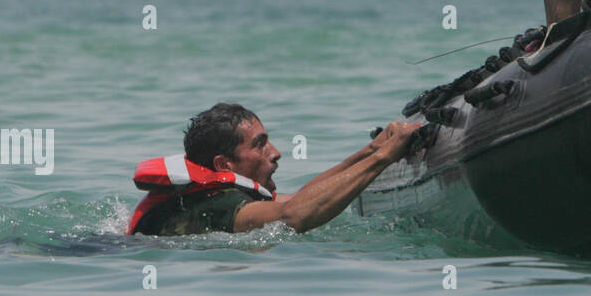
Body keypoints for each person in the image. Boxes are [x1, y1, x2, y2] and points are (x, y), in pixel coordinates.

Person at [128, 102, 420, 236]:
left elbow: (299, 200)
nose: (276, 153)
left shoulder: (219, 193)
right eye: (260, 145)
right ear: (223, 164)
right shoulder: (219, 203)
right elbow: (293, 217)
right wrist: (383, 159)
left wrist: (372, 150)